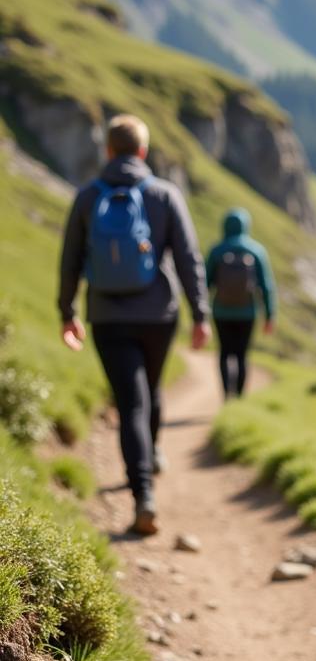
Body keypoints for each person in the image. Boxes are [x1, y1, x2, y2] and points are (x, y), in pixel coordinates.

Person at [59, 114, 211, 536]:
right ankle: (152, 455)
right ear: (142, 151)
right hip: (159, 314)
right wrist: (201, 314)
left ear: (108, 150)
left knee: (131, 403)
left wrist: (66, 312)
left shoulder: (88, 197)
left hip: (107, 317)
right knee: (151, 390)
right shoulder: (164, 194)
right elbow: (187, 257)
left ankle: (142, 493)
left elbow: (70, 258)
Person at [205, 208, 275, 398]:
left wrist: (200, 314)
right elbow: (266, 286)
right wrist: (270, 315)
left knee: (224, 353)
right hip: (248, 313)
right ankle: (239, 397)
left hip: (221, 312)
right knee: (242, 355)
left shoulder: (217, 250)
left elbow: (205, 282)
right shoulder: (256, 250)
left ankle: (226, 395)